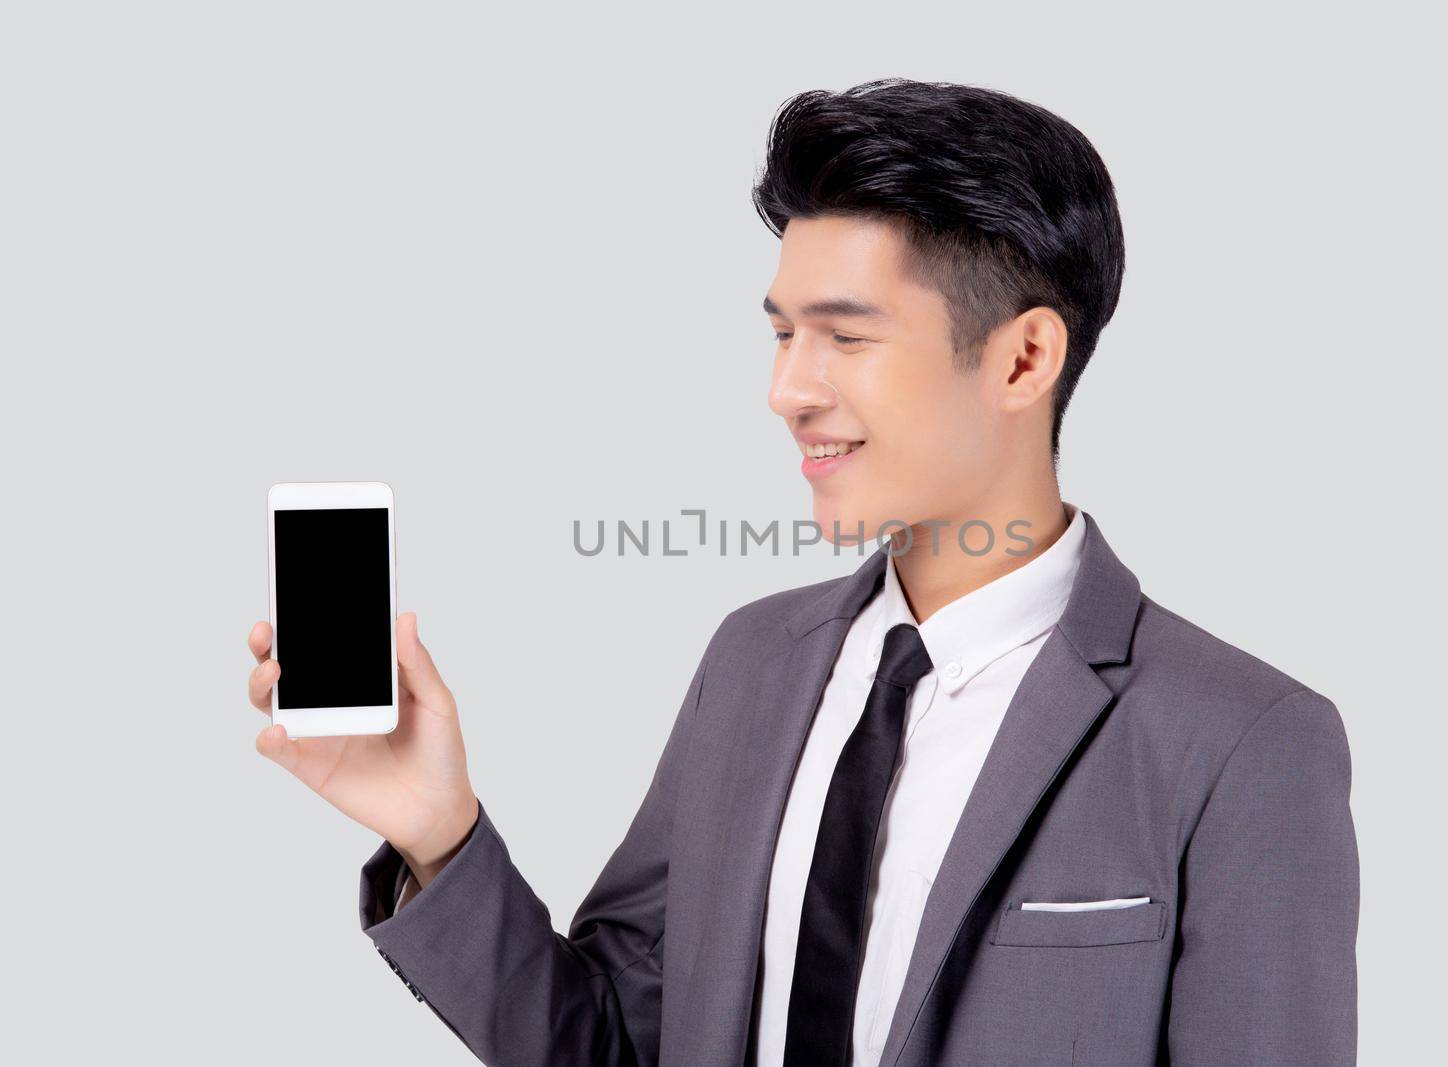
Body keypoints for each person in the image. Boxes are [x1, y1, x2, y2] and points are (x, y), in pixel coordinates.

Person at [245, 78, 1358, 1066]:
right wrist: (439, 835)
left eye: (844, 336)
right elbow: (617, 1042)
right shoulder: (754, 663)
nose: (787, 388)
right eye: (781, 333)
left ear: (1023, 357)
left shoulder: (1240, 740)